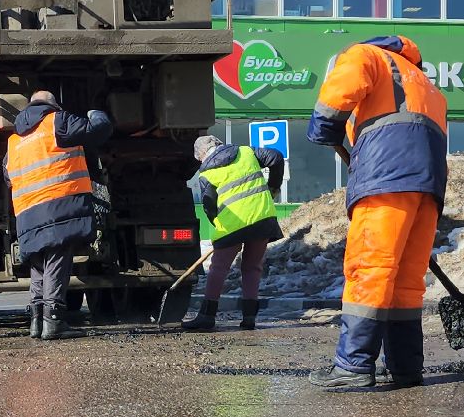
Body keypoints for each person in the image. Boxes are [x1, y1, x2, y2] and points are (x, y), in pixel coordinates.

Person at [303, 35, 448, 391]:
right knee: (405, 280)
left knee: (370, 268)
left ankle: (352, 366)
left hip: (387, 178)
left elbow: (339, 93)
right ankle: (405, 367)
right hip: (427, 186)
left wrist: (322, 126)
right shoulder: (421, 80)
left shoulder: (364, 55)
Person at [6, 90, 112, 340]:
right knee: (57, 259)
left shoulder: (14, 141)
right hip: (58, 205)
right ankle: (53, 321)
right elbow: (96, 130)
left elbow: (7, 175)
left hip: (27, 211)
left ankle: (37, 320)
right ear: (51, 105)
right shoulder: (57, 121)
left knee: (38, 264)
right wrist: (96, 113)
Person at [180, 135, 283, 332]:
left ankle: (206, 317)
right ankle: (249, 318)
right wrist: (273, 187)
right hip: (262, 217)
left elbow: (209, 203)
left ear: (201, 155)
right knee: (252, 268)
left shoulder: (206, 173)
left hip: (231, 226)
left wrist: (217, 223)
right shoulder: (246, 152)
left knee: (219, 268)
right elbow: (276, 157)